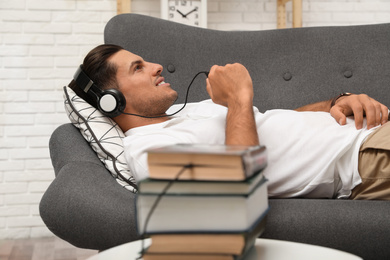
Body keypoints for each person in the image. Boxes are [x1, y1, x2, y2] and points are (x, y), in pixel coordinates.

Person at [70, 44, 390, 200]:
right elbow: (239, 187)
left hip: (367, 129)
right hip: (362, 157)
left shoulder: (188, 112)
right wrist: (239, 96)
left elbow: (270, 124)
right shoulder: (148, 153)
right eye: (137, 68)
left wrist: (335, 104)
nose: (155, 66)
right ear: (110, 100)